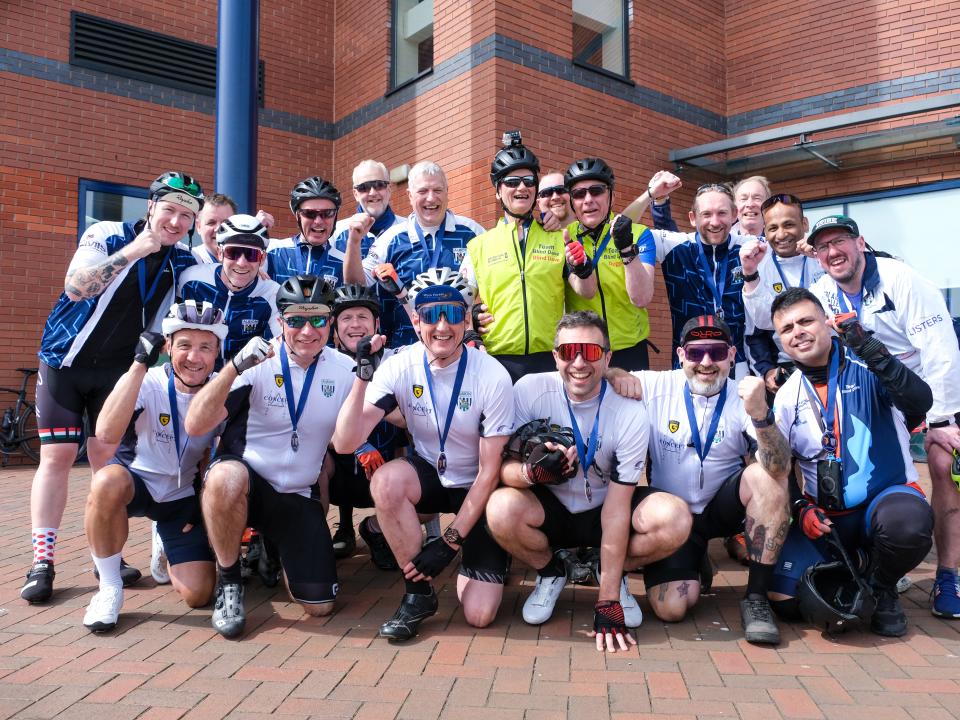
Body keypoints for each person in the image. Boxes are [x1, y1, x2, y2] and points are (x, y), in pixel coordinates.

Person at [22, 171, 203, 604]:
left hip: (118, 373)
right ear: (151, 206)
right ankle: (42, 561)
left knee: (108, 461)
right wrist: (136, 251)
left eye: (187, 216)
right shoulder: (107, 233)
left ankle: (106, 553)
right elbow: (76, 287)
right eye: (170, 210)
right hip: (66, 361)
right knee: (58, 457)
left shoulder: (184, 262)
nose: (177, 222)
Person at [486, 311, 692, 652]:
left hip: (603, 507)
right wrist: (532, 473)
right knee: (500, 507)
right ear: (555, 356)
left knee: (675, 517)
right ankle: (552, 570)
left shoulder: (629, 412)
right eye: (569, 352)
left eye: (591, 352)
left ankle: (609, 571)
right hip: (551, 508)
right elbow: (503, 470)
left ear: (608, 357)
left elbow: (616, 508)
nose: (579, 362)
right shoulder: (529, 390)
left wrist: (607, 600)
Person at [332, 268, 515, 640]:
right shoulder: (399, 364)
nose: (442, 326)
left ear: (467, 318)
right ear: (416, 320)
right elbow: (345, 443)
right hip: (430, 473)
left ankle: (494, 549)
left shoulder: (492, 375)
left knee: (479, 614)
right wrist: (363, 375)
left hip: (476, 486)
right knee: (386, 482)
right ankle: (418, 594)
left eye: (452, 313)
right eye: (431, 315)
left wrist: (448, 544)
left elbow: (489, 472)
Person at [805, 214, 960, 618]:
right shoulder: (820, 289)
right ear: (818, 256)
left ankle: (948, 577)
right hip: (869, 392)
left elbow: (942, 351)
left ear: (861, 243)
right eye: (823, 247)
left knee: (943, 463)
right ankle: (880, 552)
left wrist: (940, 421)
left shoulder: (901, 280)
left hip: (924, 387)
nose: (833, 252)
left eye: (840, 241)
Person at [184, 275, 354, 638]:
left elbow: (396, 411)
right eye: (295, 320)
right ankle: (229, 581)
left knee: (320, 606)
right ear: (280, 323)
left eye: (318, 320)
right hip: (248, 485)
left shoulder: (345, 369)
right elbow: (196, 424)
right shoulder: (258, 361)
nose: (307, 331)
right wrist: (233, 368)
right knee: (225, 476)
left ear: (331, 322)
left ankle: (272, 546)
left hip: (296, 495)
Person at [609, 315, 792, 644]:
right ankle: (695, 560)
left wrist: (761, 416)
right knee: (671, 609)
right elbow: (608, 375)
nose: (706, 362)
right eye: (696, 353)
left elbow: (780, 468)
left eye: (717, 352)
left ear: (732, 355)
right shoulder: (657, 385)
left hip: (722, 509)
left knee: (766, 478)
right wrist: (617, 376)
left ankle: (756, 598)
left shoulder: (744, 394)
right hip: (673, 516)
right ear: (681, 356)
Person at [767, 287, 934, 635]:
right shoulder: (786, 395)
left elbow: (920, 401)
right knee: (787, 602)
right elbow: (781, 467)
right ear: (780, 340)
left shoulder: (868, 365)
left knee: (908, 526)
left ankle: (883, 586)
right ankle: (858, 563)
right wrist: (799, 507)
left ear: (826, 324)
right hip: (827, 520)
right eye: (787, 328)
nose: (797, 332)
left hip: (885, 502)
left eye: (806, 321)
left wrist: (871, 348)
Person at [81, 301, 225, 631]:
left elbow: (220, 454)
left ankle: (162, 538)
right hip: (137, 482)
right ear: (168, 347)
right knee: (105, 483)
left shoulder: (221, 386)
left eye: (205, 347)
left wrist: (203, 507)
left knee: (198, 594)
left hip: (181, 496)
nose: (194, 357)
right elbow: (105, 432)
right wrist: (137, 365)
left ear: (217, 351)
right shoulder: (148, 380)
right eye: (184, 345)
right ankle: (109, 586)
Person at [458, 133, 596, 381]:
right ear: (498, 191)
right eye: (512, 181)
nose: (521, 187)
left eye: (528, 181)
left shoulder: (557, 237)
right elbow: (459, 303)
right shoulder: (478, 246)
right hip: (497, 363)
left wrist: (583, 267)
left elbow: (585, 291)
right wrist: (470, 329)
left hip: (550, 361)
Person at [353, 161, 484, 347]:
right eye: (422, 191)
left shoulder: (473, 232)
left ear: (447, 192)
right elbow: (359, 283)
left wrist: (480, 312)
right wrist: (354, 242)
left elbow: (501, 278)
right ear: (409, 195)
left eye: (437, 190)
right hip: (404, 348)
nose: (431, 198)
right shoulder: (391, 237)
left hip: (457, 347)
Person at [326, 283, 406, 567]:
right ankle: (328, 533)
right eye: (347, 318)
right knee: (317, 458)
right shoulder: (323, 361)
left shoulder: (397, 359)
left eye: (363, 317)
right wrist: (359, 443)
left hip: (385, 463)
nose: (355, 325)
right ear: (334, 328)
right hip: (339, 472)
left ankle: (375, 528)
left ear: (377, 324)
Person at [642, 183, 754, 374]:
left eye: (722, 213)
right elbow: (619, 229)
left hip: (738, 363)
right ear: (693, 218)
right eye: (706, 214)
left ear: (735, 215)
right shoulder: (674, 246)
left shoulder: (749, 248)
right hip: (688, 360)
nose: (715, 222)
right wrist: (650, 195)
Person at [563, 157, 658, 370]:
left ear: (611, 195)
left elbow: (642, 298)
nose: (588, 200)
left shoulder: (639, 233)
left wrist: (626, 248)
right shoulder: (566, 238)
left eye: (596, 191)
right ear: (572, 202)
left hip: (630, 351)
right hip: (585, 352)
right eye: (579, 194)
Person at [740, 194, 825, 396]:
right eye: (772, 228)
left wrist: (821, 258)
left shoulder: (824, 258)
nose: (781, 234)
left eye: (789, 224)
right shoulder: (758, 267)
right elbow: (755, 332)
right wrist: (766, 370)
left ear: (804, 224)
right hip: (787, 370)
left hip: (834, 361)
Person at [179, 214, 281, 363]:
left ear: (262, 258)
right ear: (220, 254)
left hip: (243, 378)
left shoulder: (272, 293)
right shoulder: (191, 280)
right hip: (194, 373)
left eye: (252, 255)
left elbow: (282, 343)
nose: (241, 263)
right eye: (233, 252)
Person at [267, 176, 348, 286]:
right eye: (309, 213)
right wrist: (252, 233)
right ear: (297, 215)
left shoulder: (344, 263)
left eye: (327, 213)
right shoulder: (272, 252)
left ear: (335, 216)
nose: (318, 221)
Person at [332, 160, 404, 258]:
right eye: (364, 187)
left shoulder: (409, 230)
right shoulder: (335, 233)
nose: (373, 193)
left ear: (389, 189)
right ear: (355, 194)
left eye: (379, 185)